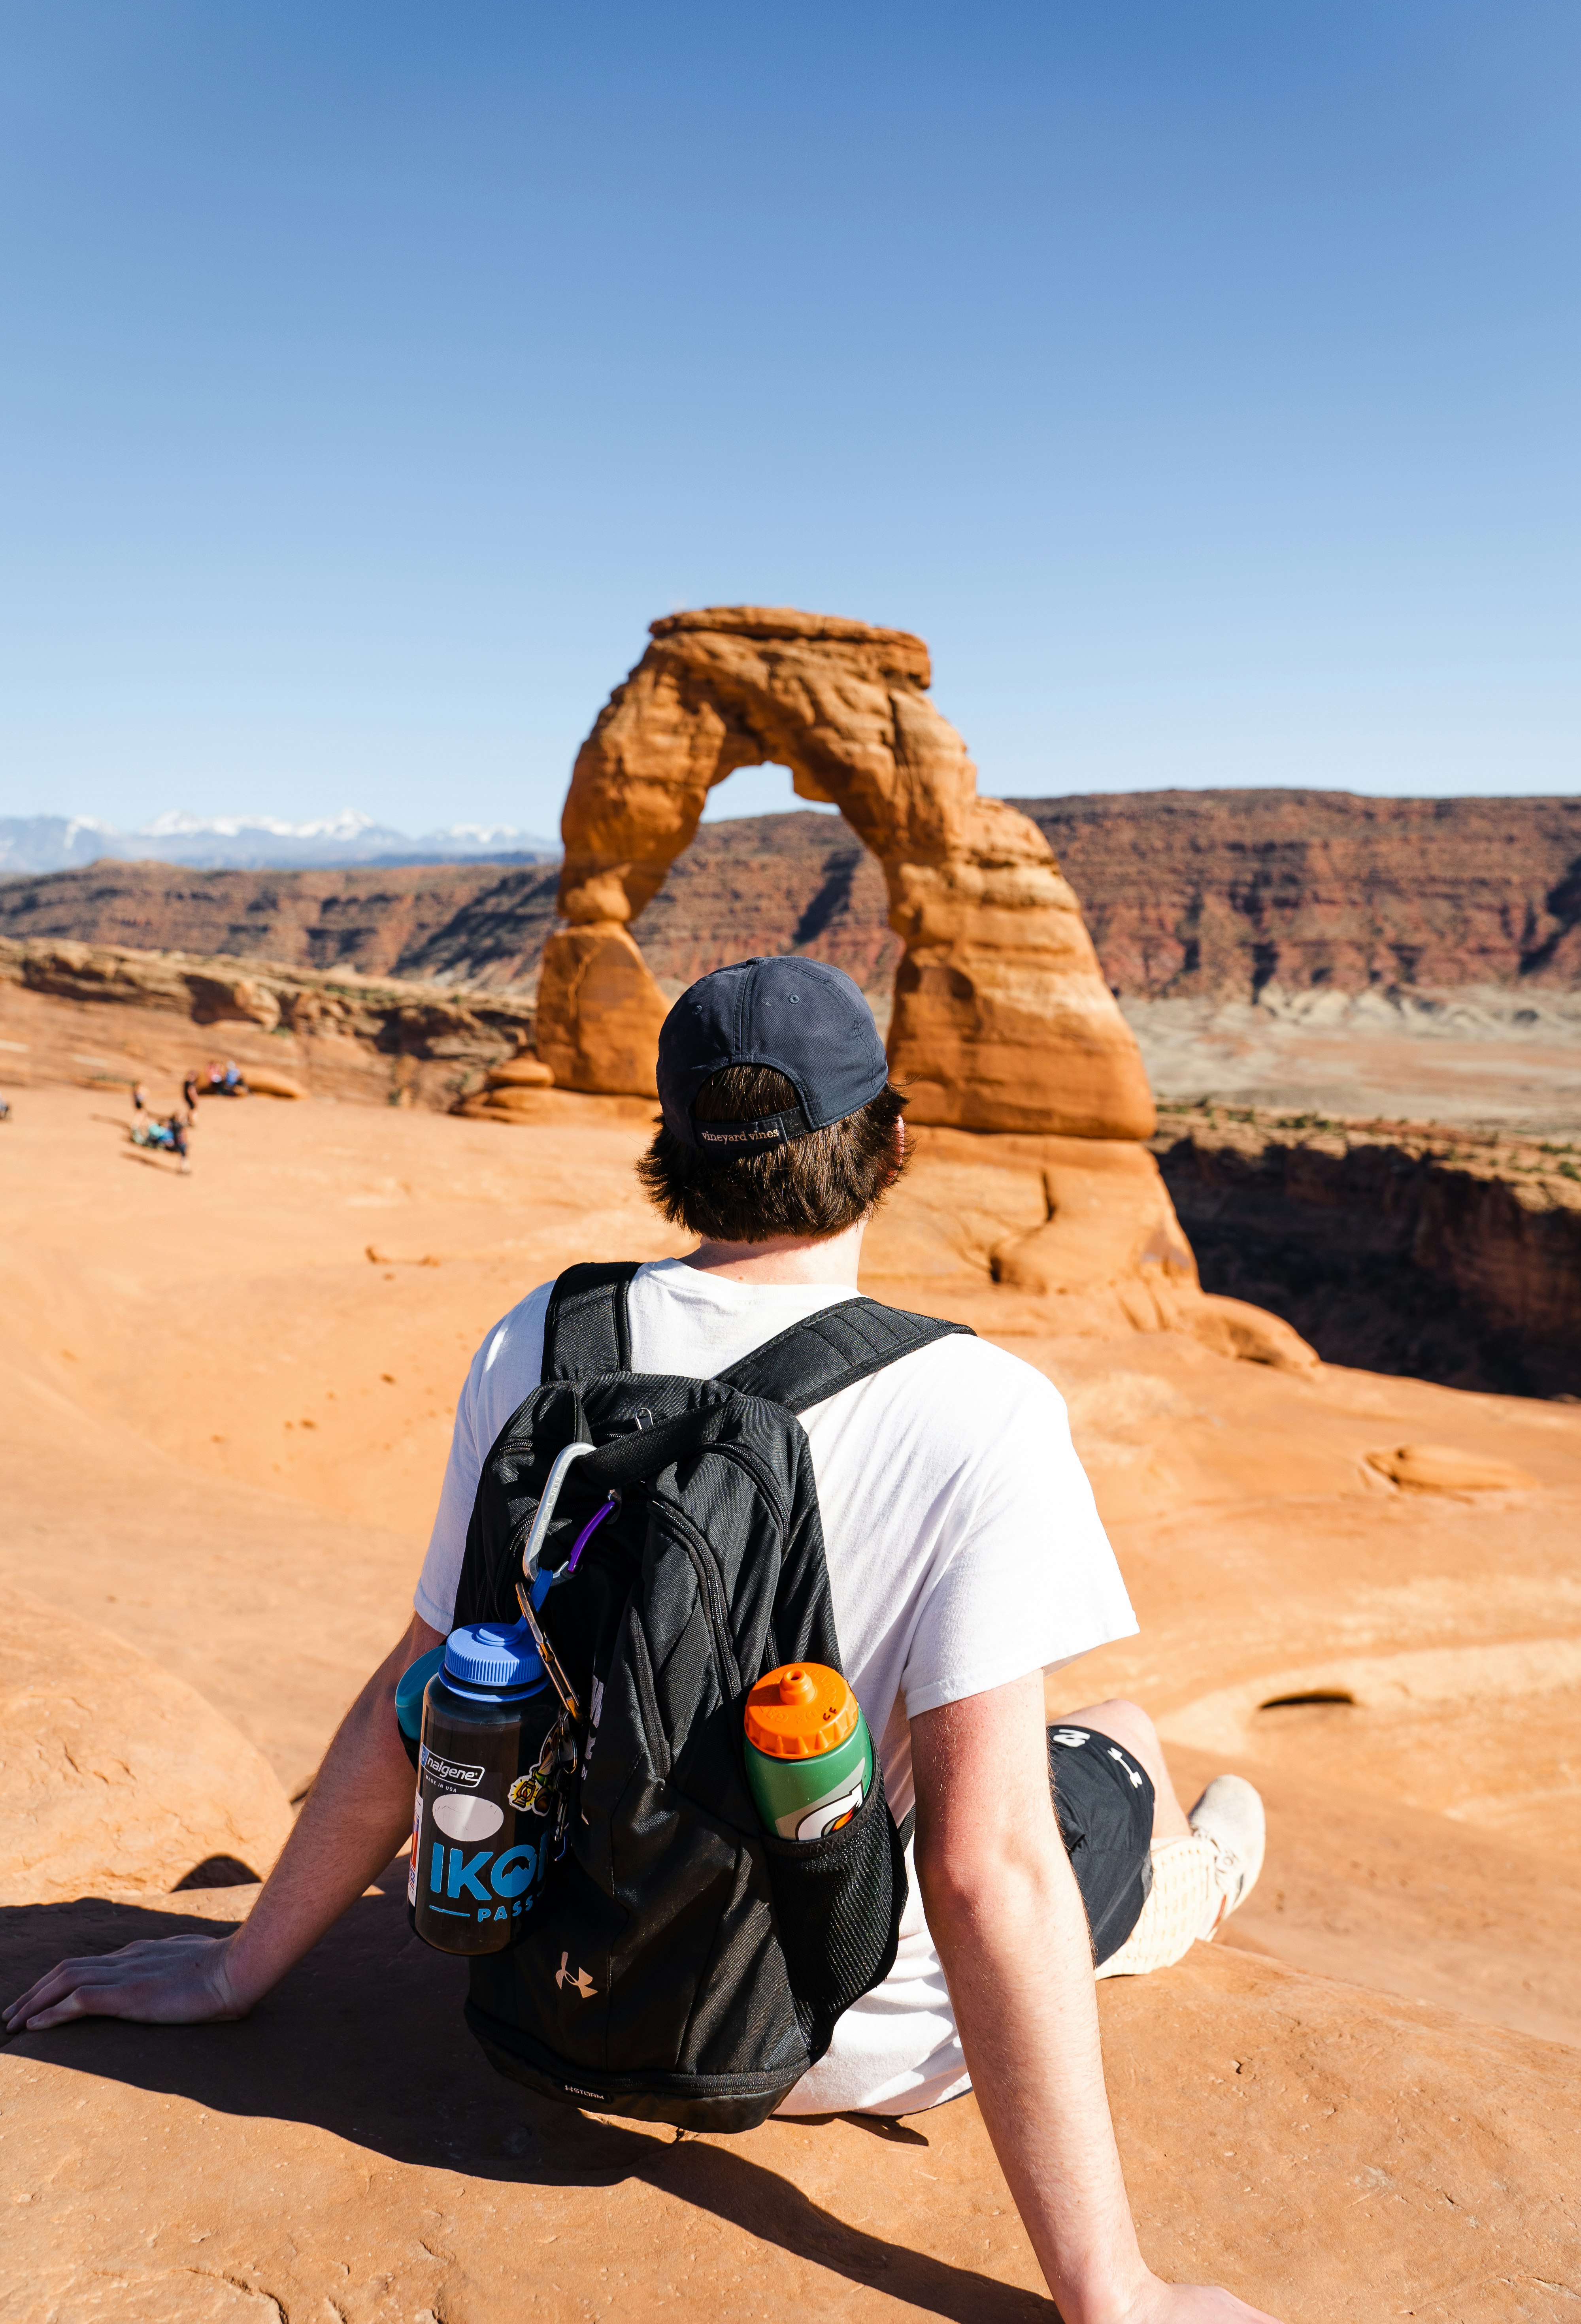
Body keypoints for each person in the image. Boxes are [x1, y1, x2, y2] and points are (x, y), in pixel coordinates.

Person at [4, 957, 1279, 2324]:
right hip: (837, 2044)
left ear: (666, 1149)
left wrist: (235, 1965)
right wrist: (1113, 2293)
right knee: (1122, 1744)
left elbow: (426, 1684)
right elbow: (987, 1866)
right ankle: (1181, 1888)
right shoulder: (979, 1407)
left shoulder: (539, 1343)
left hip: (545, 1999)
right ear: (893, 1141)